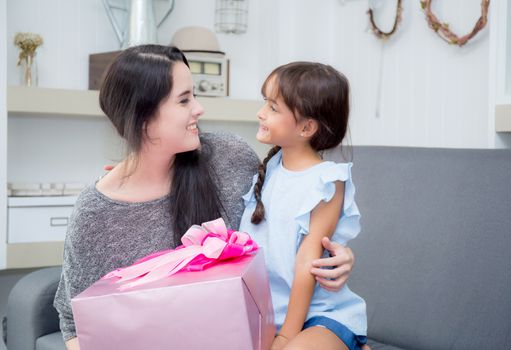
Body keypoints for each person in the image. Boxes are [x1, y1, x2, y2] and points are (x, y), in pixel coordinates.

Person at [53, 45, 357, 350]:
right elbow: (74, 322)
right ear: (142, 118)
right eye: (184, 100)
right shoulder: (96, 213)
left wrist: (336, 255)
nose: (199, 109)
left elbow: (291, 222)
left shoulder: (229, 159)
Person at [239, 62, 368, 350]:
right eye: (265, 103)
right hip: (270, 316)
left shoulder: (327, 181)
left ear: (306, 127)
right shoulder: (269, 169)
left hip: (319, 316)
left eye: (273, 108)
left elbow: (305, 265)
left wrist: (286, 337)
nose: (261, 113)